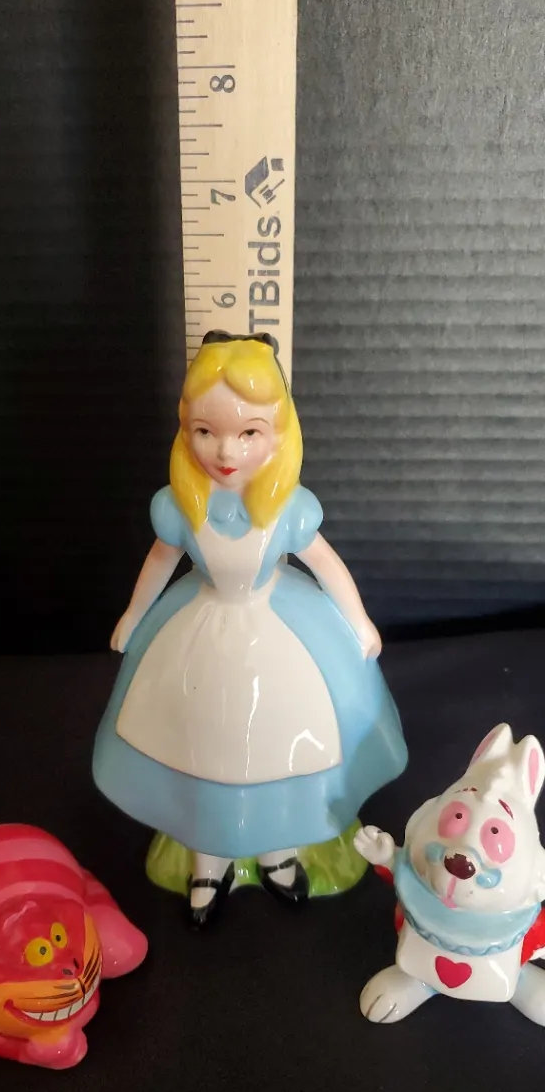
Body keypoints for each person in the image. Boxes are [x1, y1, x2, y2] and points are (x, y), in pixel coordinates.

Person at [93, 331, 407, 926]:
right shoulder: (181, 507)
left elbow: (326, 564)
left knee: (278, 749)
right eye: (205, 431)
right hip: (197, 635)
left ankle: (278, 852)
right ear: (185, 428)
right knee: (202, 747)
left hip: (279, 635)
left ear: (278, 434)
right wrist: (133, 615)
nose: (225, 449)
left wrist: (359, 620)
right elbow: (159, 562)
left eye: (248, 433)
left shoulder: (288, 508)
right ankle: (207, 860)